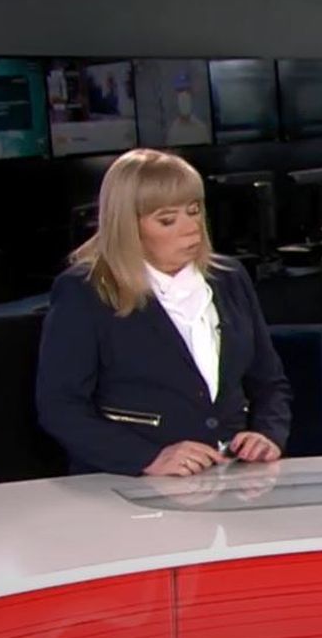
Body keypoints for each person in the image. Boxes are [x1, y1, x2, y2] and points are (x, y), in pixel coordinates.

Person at [37, 148, 292, 477]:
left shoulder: (229, 278)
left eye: (194, 210)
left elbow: (269, 382)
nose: (191, 228)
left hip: (232, 479)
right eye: (168, 220)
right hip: (126, 483)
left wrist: (267, 433)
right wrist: (148, 458)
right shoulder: (86, 291)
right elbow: (61, 407)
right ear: (128, 226)